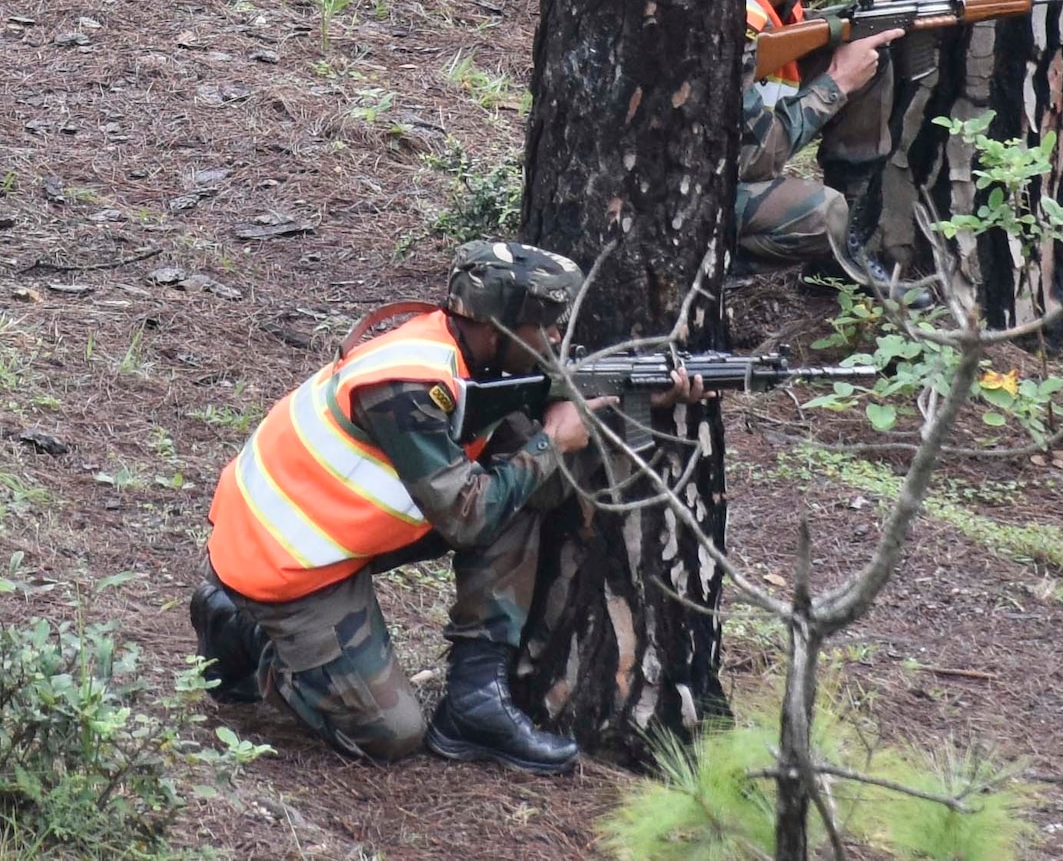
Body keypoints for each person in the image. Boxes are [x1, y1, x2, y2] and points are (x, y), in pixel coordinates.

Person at [188, 241, 705, 774]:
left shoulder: (471, 357)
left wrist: (631, 402)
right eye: (545, 324)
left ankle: (475, 699)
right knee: (391, 735)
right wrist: (550, 442)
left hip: (341, 529)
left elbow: (541, 492)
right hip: (283, 560)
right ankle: (239, 629)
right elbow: (470, 518)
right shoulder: (408, 384)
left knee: (521, 486)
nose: (557, 338)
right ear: (494, 326)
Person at [735, 0, 923, 297]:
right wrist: (836, 82)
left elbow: (783, 33)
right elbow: (751, 160)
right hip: (688, 192)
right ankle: (718, 263)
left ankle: (846, 255)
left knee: (869, 52)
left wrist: (855, 23)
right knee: (824, 214)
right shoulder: (736, 19)